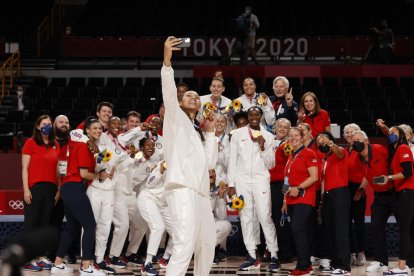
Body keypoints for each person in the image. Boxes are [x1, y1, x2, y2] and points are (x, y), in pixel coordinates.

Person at [161, 36, 218, 276]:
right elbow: (169, 92)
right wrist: (167, 60)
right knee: (184, 241)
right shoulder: (175, 118)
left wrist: (212, 131)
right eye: (188, 96)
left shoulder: (198, 131)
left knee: (206, 243)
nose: (193, 97)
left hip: (202, 192)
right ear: (181, 103)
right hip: (182, 187)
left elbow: (210, 163)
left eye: (197, 96)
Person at [52, 117, 110, 275]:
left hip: (69, 188)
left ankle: (57, 264)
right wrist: (100, 175)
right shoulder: (84, 146)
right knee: (90, 226)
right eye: (95, 128)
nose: (98, 130)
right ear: (88, 131)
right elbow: (84, 173)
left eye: (100, 128)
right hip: (74, 187)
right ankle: (86, 267)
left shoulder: (87, 146)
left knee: (72, 228)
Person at [227, 106, 280, 272]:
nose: (254, 117)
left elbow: (271, 164)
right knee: (246, 217)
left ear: (262, 116)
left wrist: (263, 148)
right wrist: (230, 184)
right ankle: (251, 255)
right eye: (251, 114)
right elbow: (232, 160)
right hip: (241, 180)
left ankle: (274, 255)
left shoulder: (269, 136)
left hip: (260, 179)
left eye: (257, 114)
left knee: (265, 216)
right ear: (248, 117)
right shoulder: (238, 134)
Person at [349, 130, 393, 273]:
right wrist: (360, 189)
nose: (354, 142)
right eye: (352, 140)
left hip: (395, 192)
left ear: (366, 141)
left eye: (357, 139)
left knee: (407, 227)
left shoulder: (379, 150)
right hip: (380, 195)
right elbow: (368, 175)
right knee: (376, 227)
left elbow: (392, 166)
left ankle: (409, 261)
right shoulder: (357, 157)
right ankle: (382, 262)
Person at [21, 115, 60, 272]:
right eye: (44, 124)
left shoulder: (55, 145)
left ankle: (40, 256)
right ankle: (27, 258)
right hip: (34, 187)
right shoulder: (30, 143)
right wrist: (26, 189)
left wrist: (59, 189)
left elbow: (58, 171)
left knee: (44, 225)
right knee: (31, 225)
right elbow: (24, 168)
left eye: (49, 124)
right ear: (38, 126)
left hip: (50, 189)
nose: (47, 126)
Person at [376, 126, 414, 275]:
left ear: (402, 135)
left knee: (404, 229)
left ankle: (402, 266)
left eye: (394, 133)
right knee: (407, 229)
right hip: (402, 191)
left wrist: (389, 178)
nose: (390, 135)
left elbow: (408, 172)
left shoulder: (403, 148)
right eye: (389, 133)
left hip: (407, 191)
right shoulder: (396, 150)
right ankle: (404, 265)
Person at [281, 127, 318, 276]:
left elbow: (314, 177)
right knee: (297, 232)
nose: (293, 137)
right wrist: (284, 200)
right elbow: (286, 181)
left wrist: (298, 187)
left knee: (298, 230)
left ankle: (304, 266)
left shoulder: (309, 153)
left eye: (296, 135)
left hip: (304, 198)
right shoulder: (291, 156)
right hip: (291, 200)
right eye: (291, 136)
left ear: (302, 137)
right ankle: (305, 264)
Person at [316, 132, 351, 275]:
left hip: (340, 194)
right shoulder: (325, 159)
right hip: (328, 196)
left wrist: (330, 143)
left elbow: (340, 153)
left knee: (340, 231)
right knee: (330, 230)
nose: (321, 143)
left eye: (323, 140)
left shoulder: (339, 151)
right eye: (318, 142)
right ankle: (335, 262)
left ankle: (344, 266)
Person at [49, 115, 79, 264]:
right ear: (54, 124)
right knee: (54, 223)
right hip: (54, 189)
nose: (64, 124)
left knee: (73, 222)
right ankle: (52, 255)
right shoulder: (48, 142)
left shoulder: (74, 142)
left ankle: (72, 253)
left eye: (67, 122)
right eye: (61, 122)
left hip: (71, 186)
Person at [137, 159, 174, 275]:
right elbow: (149, 183)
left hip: (164, 204)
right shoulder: (164, 163)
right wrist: (160, 172)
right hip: (149, 198)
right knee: (158, 227)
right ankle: (147, 264)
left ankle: (166, 258)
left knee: (178, 231)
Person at [269, 118, 295, 261]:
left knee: (281, 218)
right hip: (265, 183)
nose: (282, 129)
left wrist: (286, 190)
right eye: (280, 126)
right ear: (275, 127)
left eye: (286, 127)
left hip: (281, 184)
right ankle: (270, 250)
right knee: (267, 217)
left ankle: (285, 252)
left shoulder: (290, 144)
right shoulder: (267, 140)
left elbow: (289, 169)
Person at [342, 123, 367, 267]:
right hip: (346, 189)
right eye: (347, 132)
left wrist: (360, 190)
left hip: (359, 188)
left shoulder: (361, 150)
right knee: (346, 224)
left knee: (359, 223)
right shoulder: (344, 151)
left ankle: (361, 254)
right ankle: (351, 253)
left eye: (352, 132)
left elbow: (368, 171)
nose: (349, 134)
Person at [208, 169, 232, 264]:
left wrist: (221, 196)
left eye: (213, 171)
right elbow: (207, 208)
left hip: (209, 222)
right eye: (208, 172)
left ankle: (209, 252)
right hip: (196, 223)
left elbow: (222, 216)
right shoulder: (198, 187)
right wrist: (214, 195)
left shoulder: (217, 189)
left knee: (226, 225)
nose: (211, 174)